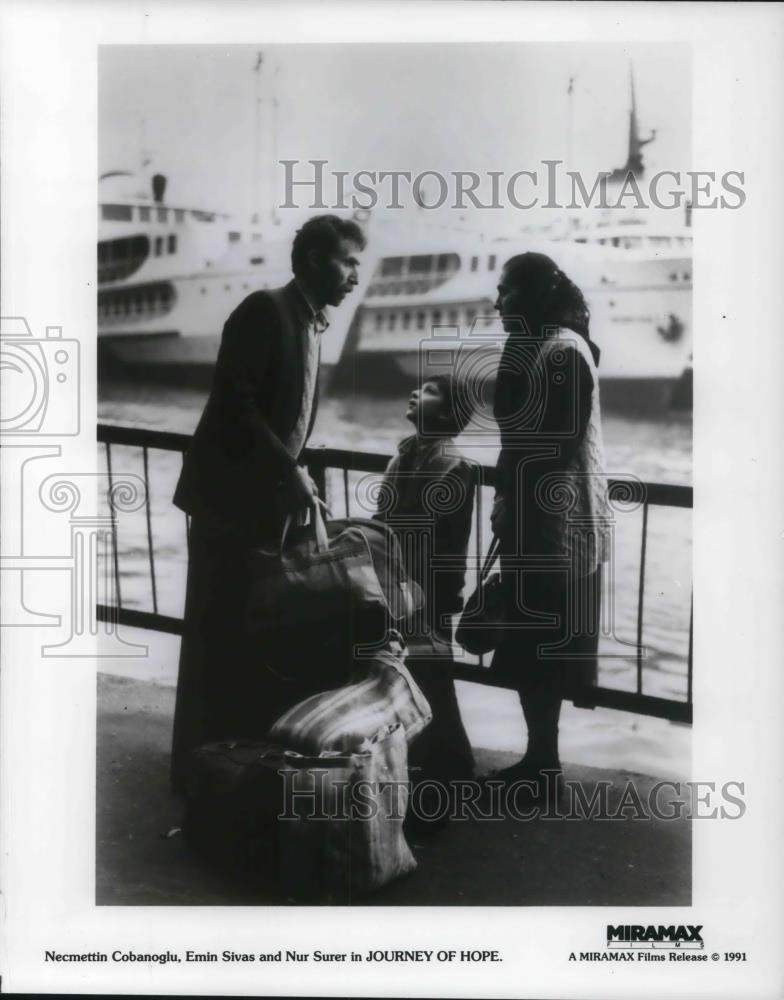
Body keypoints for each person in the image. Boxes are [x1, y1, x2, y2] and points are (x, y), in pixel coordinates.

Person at [170, 215, 366, 791]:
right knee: (216, 631)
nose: (357, 274)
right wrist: (292, 470)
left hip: (260, 500)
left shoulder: (310, 321)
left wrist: (290, 474)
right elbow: (237, 404)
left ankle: (226, 768)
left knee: (244, 633)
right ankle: (198, 773)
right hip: (226, 503)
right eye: (347, 261)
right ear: (310, 259)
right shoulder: (265, 310)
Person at [490, 252, 609, 793]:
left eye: (507, 292)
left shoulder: (560, 350)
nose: (498, 303)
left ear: (533, 294)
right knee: (536, 646)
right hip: (544, 522)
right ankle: (541, 762)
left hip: (557, 527)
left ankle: (544, 767)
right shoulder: (541, 345)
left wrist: (510, 493)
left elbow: (553, 444)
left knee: (542, 646)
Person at [375, 374, 477, 797]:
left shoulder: (454, 466)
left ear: (450, 413)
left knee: (431, 678)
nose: (417, 391)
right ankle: (436, 764)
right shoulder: (404, 456)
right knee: (417, 676)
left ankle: (451, 766)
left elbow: (451, 544)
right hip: (396, 583)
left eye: (431, 391)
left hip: (427, 592)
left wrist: (443, 597)